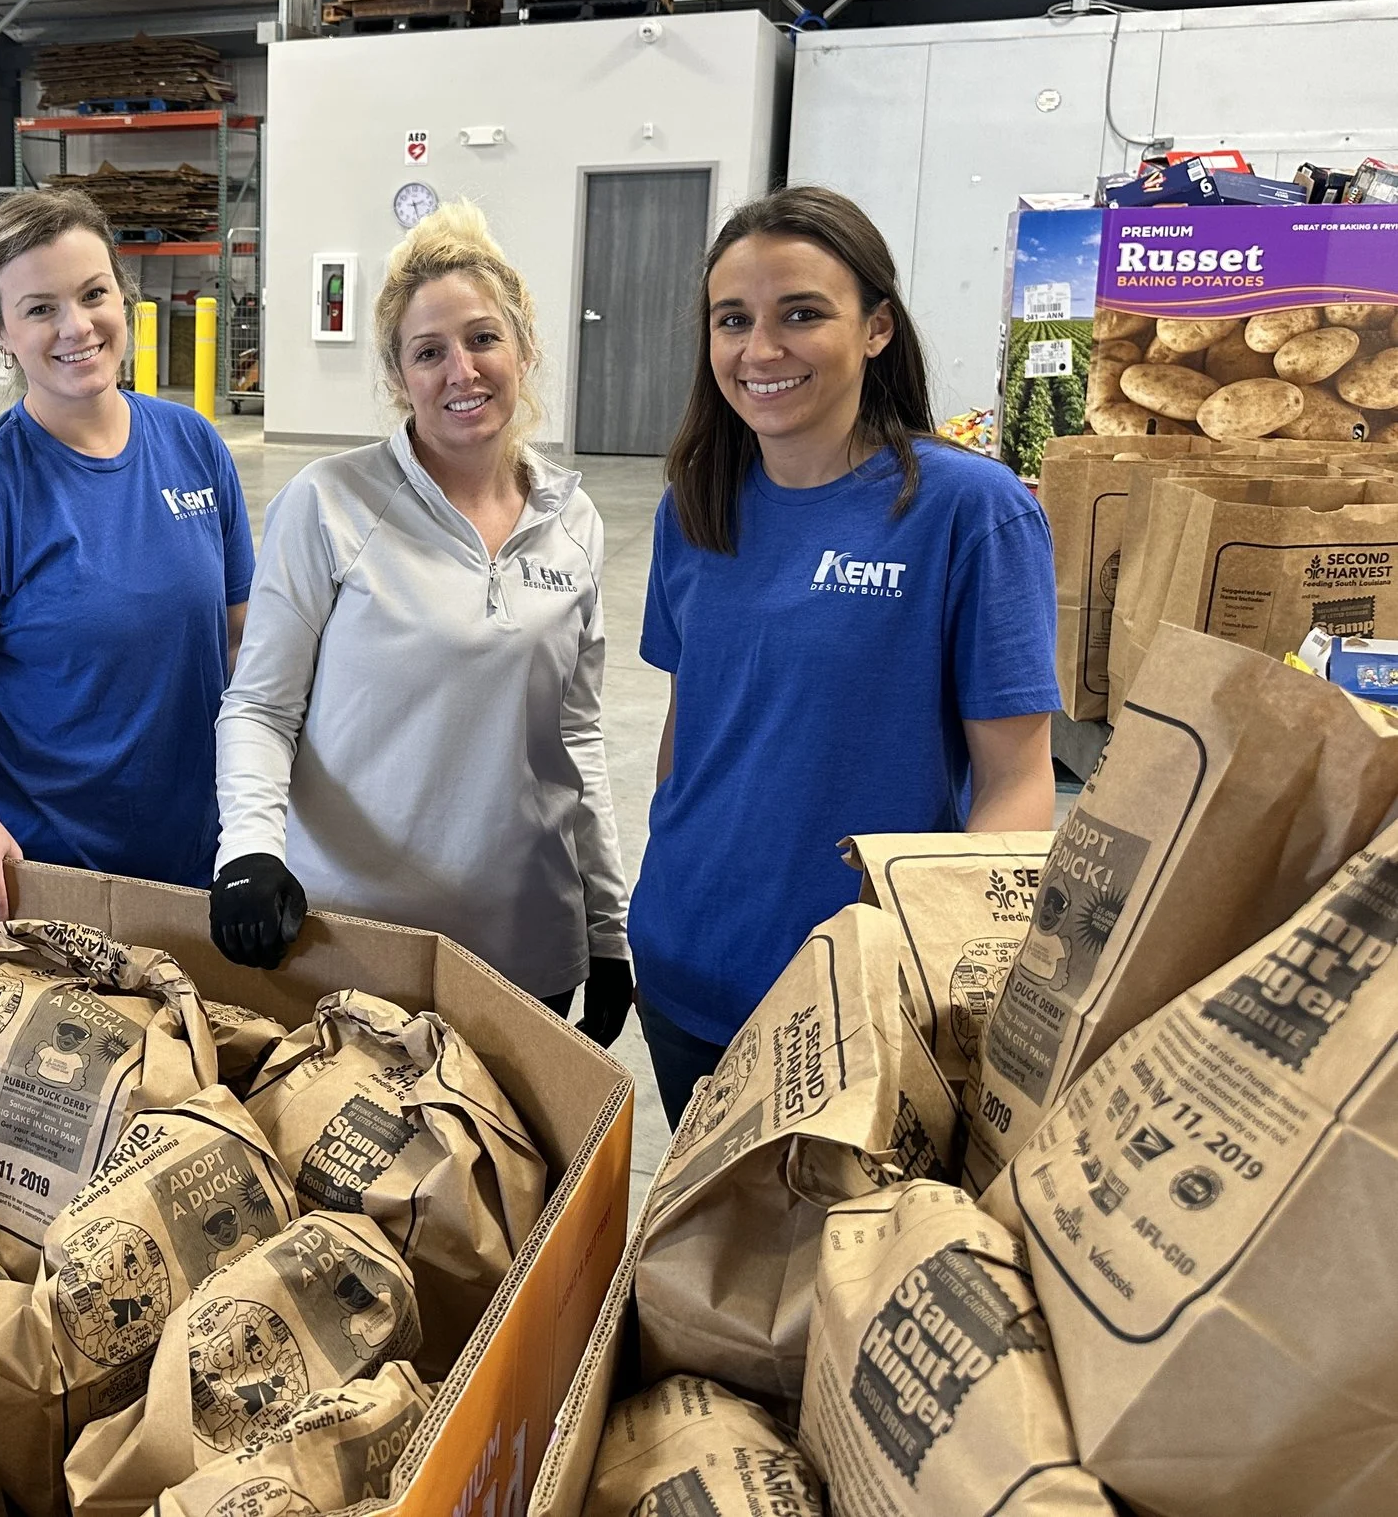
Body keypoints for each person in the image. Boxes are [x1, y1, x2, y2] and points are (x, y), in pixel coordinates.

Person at [633, 185, 1058, 1127]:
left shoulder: (969, 512)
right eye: (733, 320)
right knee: (712, 1264)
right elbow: (688, 725)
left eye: (802, 314)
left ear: (876, 328)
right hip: (685, 969)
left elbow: (1019, 786)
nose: (761, 350)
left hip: (858, 1001)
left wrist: (925, 967)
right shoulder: (695, 503)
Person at [210, 202, 633, 1043]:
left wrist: (608, 921)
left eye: (482, 339)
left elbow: (574, 736)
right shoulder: (329, 504)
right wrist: (249, 850)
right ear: (400, 377)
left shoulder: (571, 518)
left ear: (524, 350)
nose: (461, 371)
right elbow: (259, 706)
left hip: (523, 949)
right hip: (354, 948)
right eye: (428, 352)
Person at [0, 187, 254, 927]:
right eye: (40, 307)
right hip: (54, 883)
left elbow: (241, 636)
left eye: (93, 294)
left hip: (200, 860)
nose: (76, 326)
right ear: (0, 332)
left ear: (124, 295)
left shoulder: (194, 445)